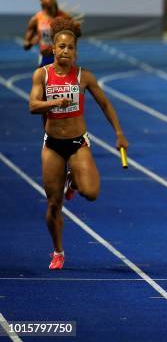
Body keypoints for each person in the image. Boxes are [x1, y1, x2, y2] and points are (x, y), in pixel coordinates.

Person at [28, 17, 128, 270]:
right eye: (61, 46)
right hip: (52, 145)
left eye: (70, 47)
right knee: (53, 204)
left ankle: (73, 180)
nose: (66, 51)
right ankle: (58, 251)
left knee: (91, 193)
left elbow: (105, 104)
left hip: (77, 142)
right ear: (53, 48)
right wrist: (54, 104)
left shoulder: (84, 77)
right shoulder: (42, 75)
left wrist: (118, 133)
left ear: (76, 51)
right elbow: (33, 105)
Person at [24, 0, 70, 67]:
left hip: (62, 59)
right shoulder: (36, 19)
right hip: (45, 59)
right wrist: (31, 42)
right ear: (41, 0)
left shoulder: (65, 17)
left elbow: (74, 38)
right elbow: (25, 45)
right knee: (39, 79)